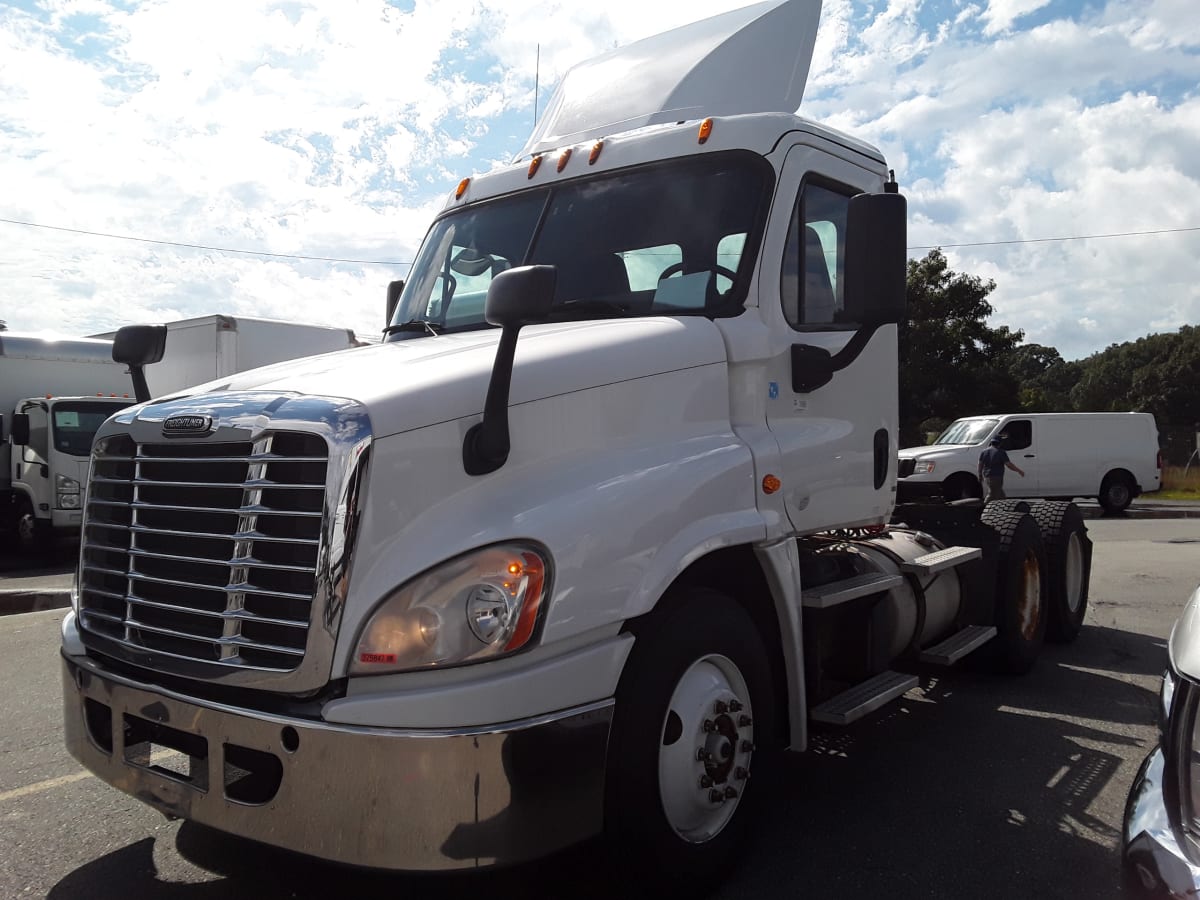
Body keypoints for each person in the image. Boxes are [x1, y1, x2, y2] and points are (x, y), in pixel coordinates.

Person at [978, 435, 1024, 502]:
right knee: (992, 494)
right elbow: (1008, 464)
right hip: (996, 477)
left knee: (1000, 494)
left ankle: (1004, 507)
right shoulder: (1000, 452)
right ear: (1000, 443)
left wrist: (980, 475)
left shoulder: (984, 451)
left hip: (987, 476)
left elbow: (980, 464)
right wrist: (1019, 471)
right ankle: (984, 507)